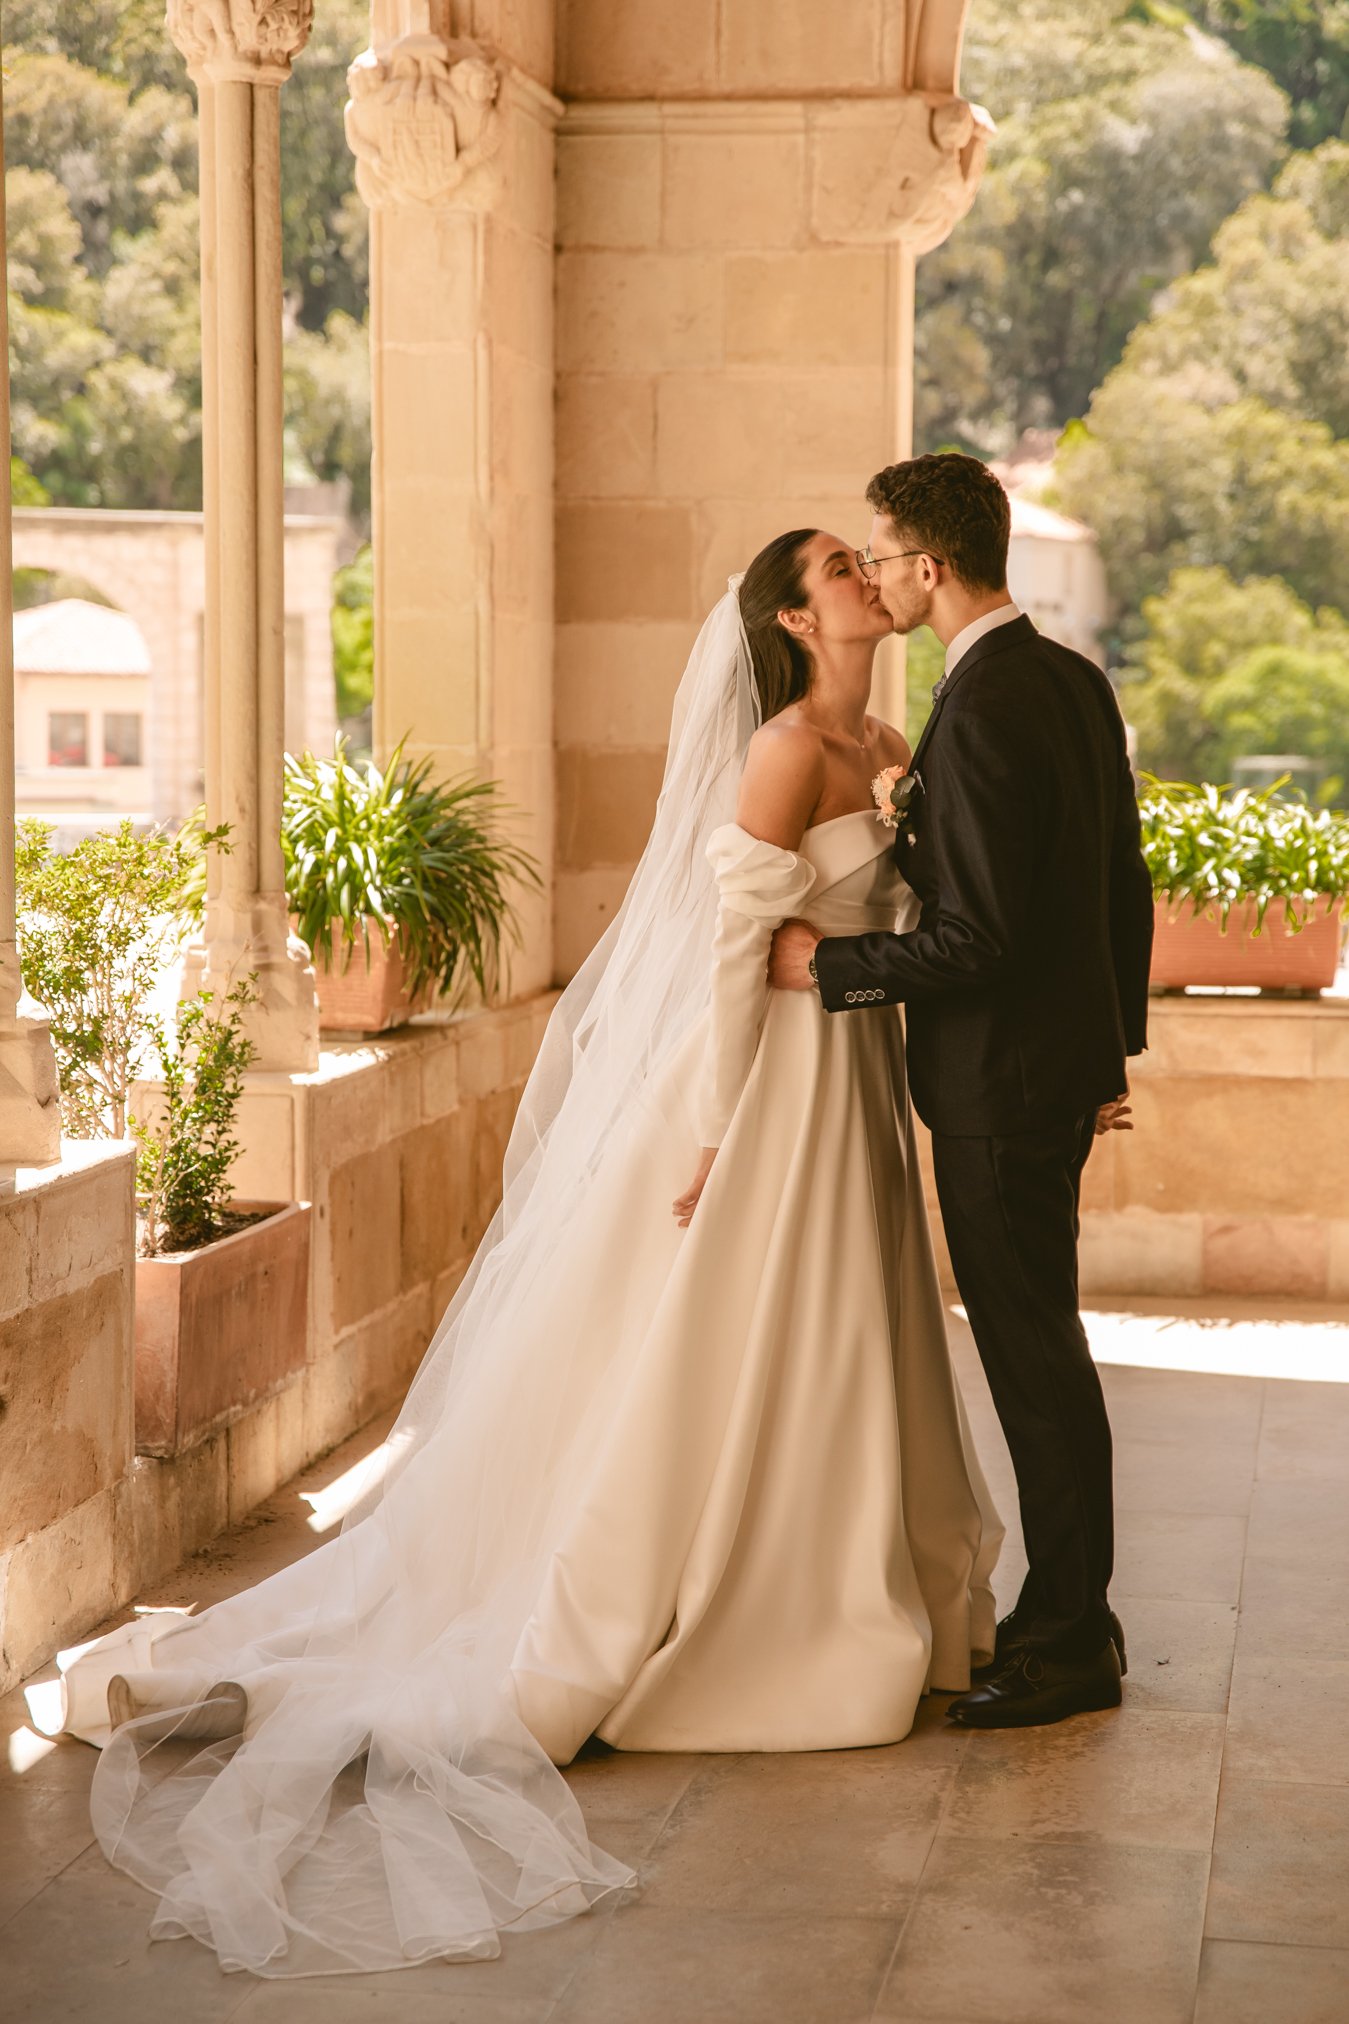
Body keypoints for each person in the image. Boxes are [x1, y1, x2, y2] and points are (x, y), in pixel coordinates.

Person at [46, 532, 1001, 1978]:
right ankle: (738, 1610)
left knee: (844, 1337)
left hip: (853, 1077)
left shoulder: (882, 743)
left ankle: (847, 1582)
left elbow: (896, 927)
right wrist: (714, 1131)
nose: (865, 571)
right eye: (833, 565)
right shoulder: (786, 750)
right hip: (768, 1091)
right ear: (795, 618)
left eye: (862, 557)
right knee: (741, 1337)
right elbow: (733, 956)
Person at [771, 454, 1154, 1730]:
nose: (875, 575)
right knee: (1048, 1347)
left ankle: (1066, 1641)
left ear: (927, 567)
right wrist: (1107, 1052)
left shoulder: (982, 703)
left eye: (880, 555)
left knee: (1033, 1359)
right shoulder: (1068, 677)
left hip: (997, 1087)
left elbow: (976, 936)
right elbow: (1118, 884)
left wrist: (830, 967)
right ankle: (1076, 1611)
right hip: (1051, 1073)